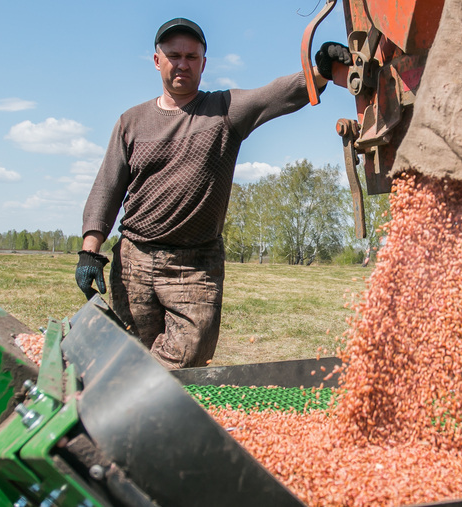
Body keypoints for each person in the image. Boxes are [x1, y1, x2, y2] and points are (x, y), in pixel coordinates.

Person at [75, 18, 350, 369]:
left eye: (191, 56)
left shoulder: (224, 110)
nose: (182, 63)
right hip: (134, 261)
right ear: (157, 60)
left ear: (203, 63)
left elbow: (275, 94)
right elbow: (107, 188)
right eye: (173, 55)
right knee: (130, 360)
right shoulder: (132, 121)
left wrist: (320, 71)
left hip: (194, 266)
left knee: (186, 362)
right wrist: (89, 252)